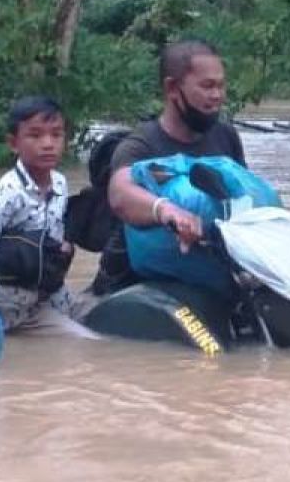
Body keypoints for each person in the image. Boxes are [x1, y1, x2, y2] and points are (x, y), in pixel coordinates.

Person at [91, 39, 247, 296]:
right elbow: (120, 194)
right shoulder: (139, 146)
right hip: (134, 286)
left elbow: (243, 198)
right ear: (173, 88)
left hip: (206, 275)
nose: (217, 96)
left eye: (221, 85)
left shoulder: (226, 137)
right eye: (207, 86)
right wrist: (166, 210)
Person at [0, 96, 97, 338]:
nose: (48, 144)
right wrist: (21, 300)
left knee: (103, 319)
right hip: (13, 312)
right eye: (35, 135)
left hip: (48, 296)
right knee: (87, 344)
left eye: (56, 135)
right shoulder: (8, 193)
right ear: (14, 143)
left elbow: (51, 255)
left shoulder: (60, 184)